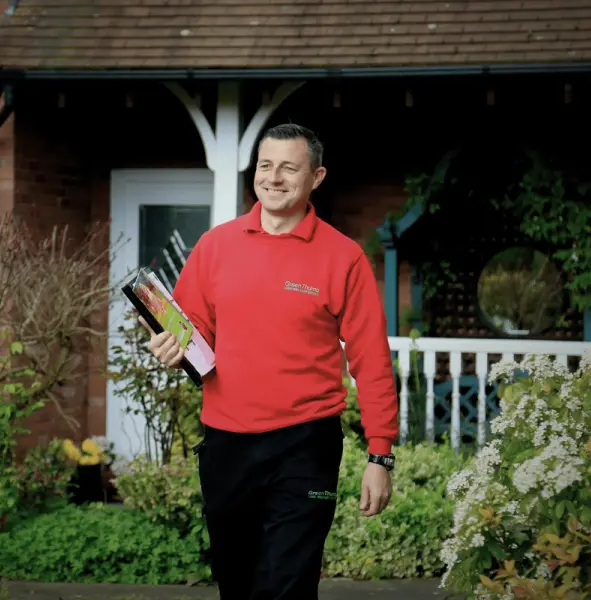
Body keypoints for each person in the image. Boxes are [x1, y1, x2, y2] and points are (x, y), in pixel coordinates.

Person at [140, 123, 399, 599]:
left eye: (288, 168)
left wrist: (380, 453)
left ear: (316, 177)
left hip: (306, 444)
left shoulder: (343, 258)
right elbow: (191, 336)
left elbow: (373, 361)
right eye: (265, 165)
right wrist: (170, 348)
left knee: (288, 585)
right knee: (236, 583)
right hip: (226, 444)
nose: (273, 177)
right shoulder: (215, 246)